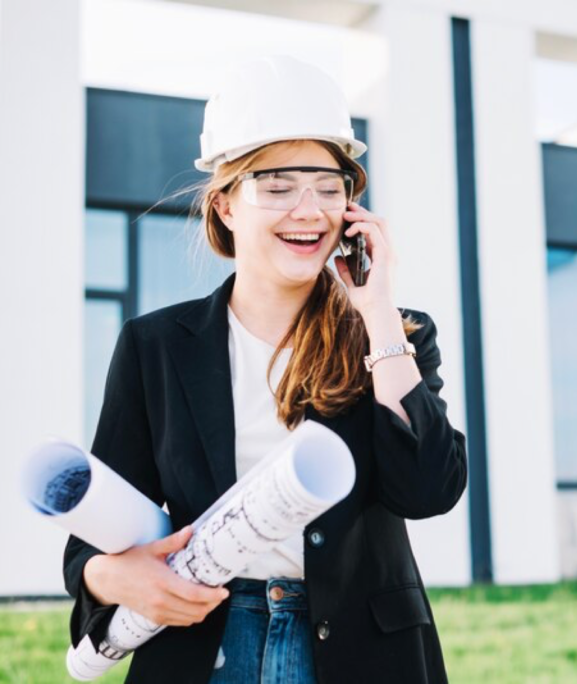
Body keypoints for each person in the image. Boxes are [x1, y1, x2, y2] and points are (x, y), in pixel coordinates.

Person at [62, 55, 468, 683]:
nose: (309, 210)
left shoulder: (394, 330)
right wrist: (109, 574)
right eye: (278, 187)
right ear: (226, 206)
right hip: (208, 640)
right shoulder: (156, 346)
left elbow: (428, 488)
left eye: (330, 187)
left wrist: (377, 311)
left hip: (361, 649)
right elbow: (95, 534)